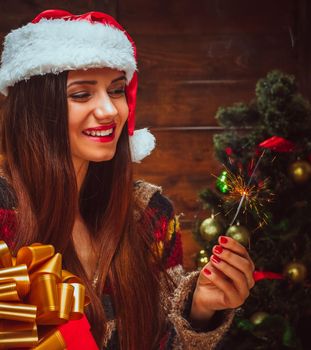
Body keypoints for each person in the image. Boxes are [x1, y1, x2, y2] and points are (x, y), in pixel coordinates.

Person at [0, 9, 255, 349]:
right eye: (81, 94)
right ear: (35, 108)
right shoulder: (5, 214)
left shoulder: (149, 214)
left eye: (116, 90)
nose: (109, 110)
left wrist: (201, 309)